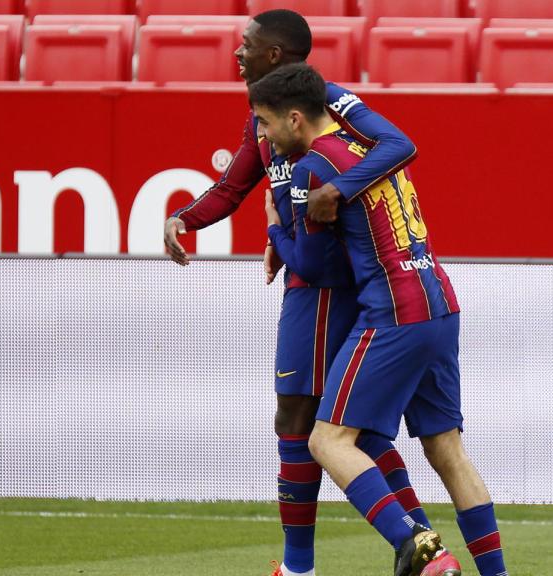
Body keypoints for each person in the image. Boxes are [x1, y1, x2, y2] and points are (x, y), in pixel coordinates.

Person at [163, 10, 451, 576]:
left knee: (300, 420)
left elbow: (398, 145)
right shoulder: (263, 117)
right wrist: (185, 219)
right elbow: (234, 185)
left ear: (275, 54)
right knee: (346, 427)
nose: (236, 53)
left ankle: (311, 566)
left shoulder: (330, 106)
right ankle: (426, 549)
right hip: (318, 271)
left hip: (325, 282)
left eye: (246, 45)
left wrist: (310, 211)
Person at [255, 63, 507, 576]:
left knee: (325, 440)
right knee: (448, 452)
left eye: (265, 122)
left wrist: (275, 229)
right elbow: (402, 146)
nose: (263, 134)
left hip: (394, 311)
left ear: (296, 119)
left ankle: (415, 546)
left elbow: (312, 265)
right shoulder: (368, 145)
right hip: (439, 298)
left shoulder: (312, 168)